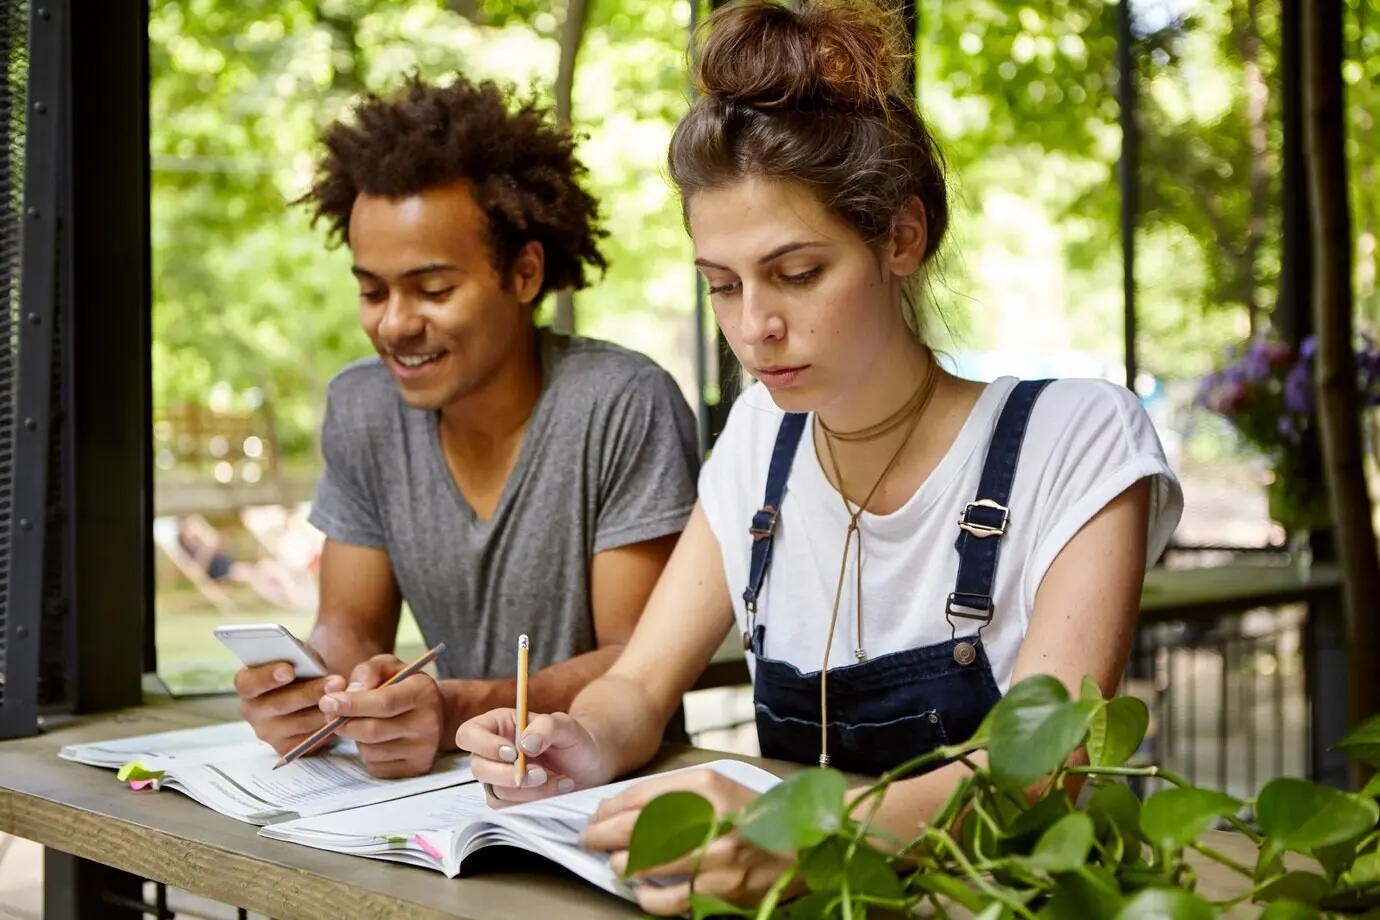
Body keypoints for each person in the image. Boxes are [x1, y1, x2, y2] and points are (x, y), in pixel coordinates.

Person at [455, 0, 1186, 912]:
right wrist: (576, 741)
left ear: (901, 239)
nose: (755, 328)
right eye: (722, 286)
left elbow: (1039, 775)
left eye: (798, 273)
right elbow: (640, 684)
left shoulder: (1075, 440)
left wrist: (804, 834)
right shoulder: (761, 440)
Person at [232, 72, 702, 779]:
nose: (393, 323)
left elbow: (638, 662)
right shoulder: (363, 408)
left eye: (433, 290)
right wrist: (317, 688)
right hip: (439, 794)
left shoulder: (621, 403)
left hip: (602, 785)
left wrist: (453, 711)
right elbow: (350, 624)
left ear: (524, 274)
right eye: (371, 290)